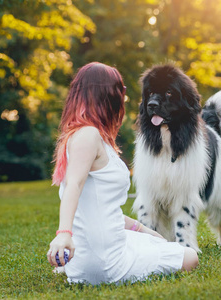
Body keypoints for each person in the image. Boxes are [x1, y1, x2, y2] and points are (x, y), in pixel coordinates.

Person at [46, 62, 198, 285]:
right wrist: (63, 234)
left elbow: (101, 208)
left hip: (95, 252)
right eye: (120, 89)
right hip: (105, 264)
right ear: (107, 94)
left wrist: (142, 229)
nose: (125, 95)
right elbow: (74, 186)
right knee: (190, 257)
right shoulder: (88, 135)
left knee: (156, 242)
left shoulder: (84, 134)